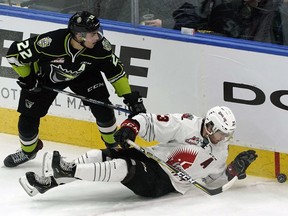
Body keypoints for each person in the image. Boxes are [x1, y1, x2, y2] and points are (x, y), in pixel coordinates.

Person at [4, 11, 146, 168]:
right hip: (46, 77)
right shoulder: (50, 42)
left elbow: (116, 72)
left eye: (97, 32)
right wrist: (29, 78)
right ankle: (28, 151)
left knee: (103, 109)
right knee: (27, 120)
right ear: (78, 35)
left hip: (85, 76)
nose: (97, 37)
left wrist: (129, 96)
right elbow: (14, 54)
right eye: (92, 34)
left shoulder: (101, 48)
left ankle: (114, 149)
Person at [19, 106, 257, 198]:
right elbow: (150, 121)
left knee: (124, 168)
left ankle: (68, 169)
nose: (224, 139)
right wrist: (131, 128)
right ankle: (48, 182)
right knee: (100, 155)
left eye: (227, 135)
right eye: (221, 134)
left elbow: (215, 182)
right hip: (153, 158)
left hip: (165, 182)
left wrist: (235, 168)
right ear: (209, 126)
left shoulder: (221, 151)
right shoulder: (186, 124)